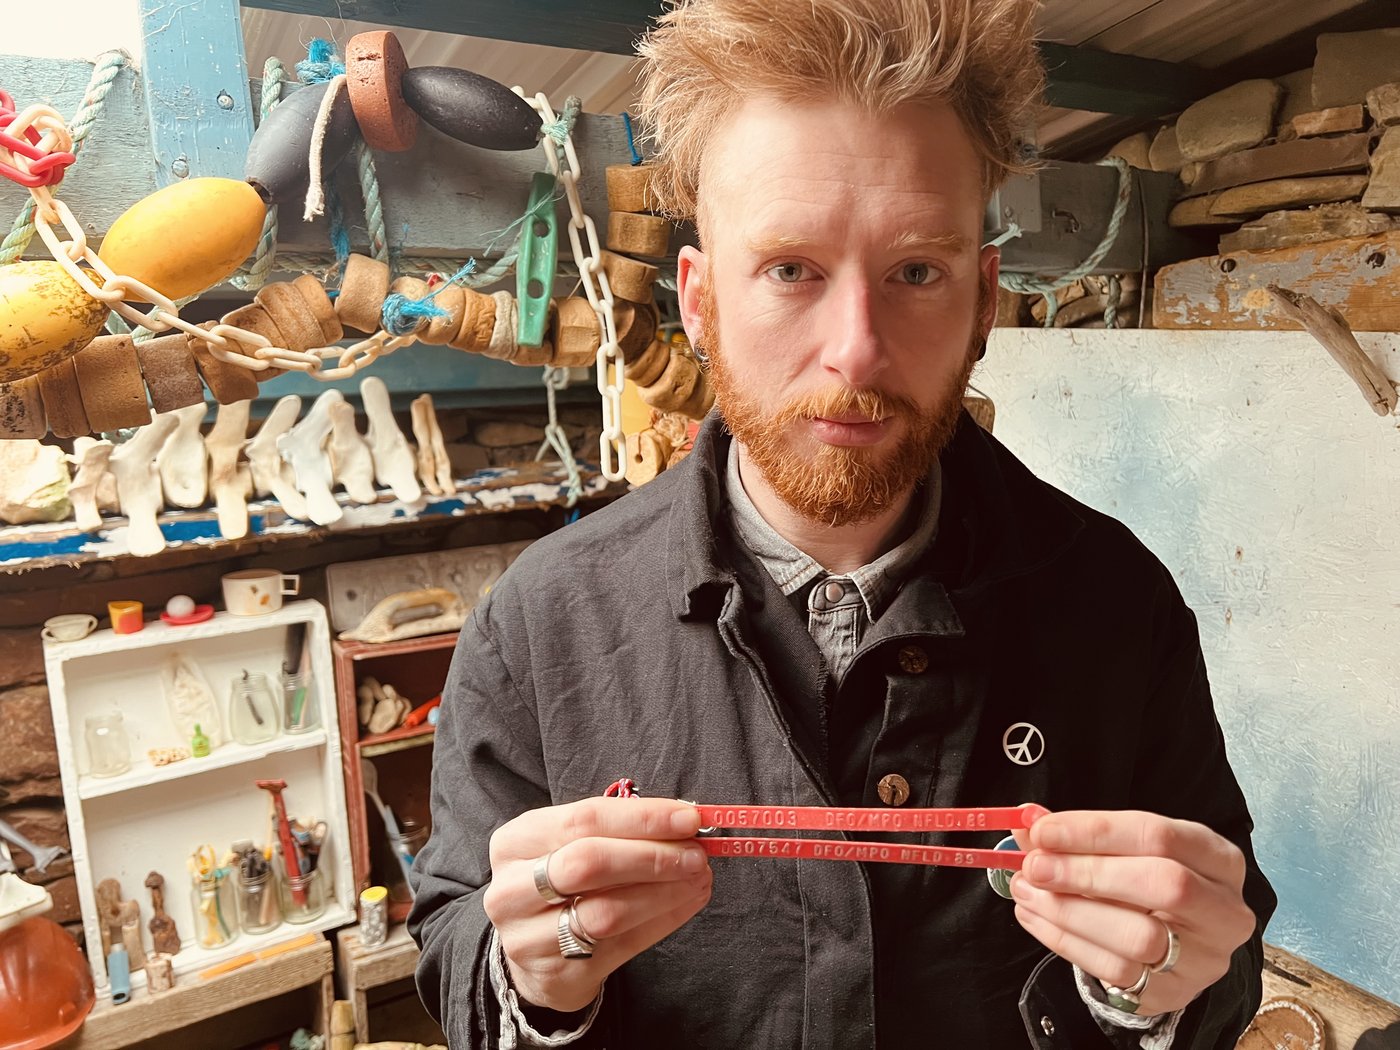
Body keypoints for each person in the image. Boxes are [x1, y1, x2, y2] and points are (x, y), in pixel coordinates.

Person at [409, 0, 1277, 1046]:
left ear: (982, 300)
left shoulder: (1117, 601)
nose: (855, 351)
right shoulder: (537, 626)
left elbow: (1222, 953)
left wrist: (1148, 990)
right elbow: (454, 947)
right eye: (790, 270)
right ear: (698, 303)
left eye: (916, 271)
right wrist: (528, 979)